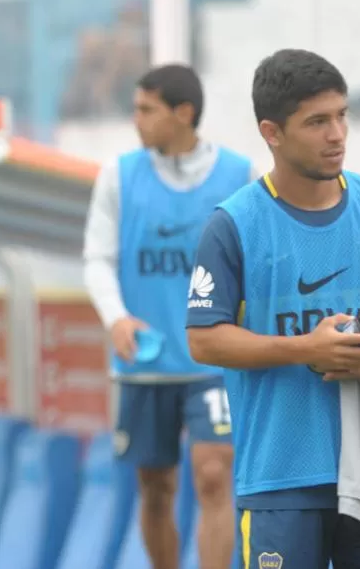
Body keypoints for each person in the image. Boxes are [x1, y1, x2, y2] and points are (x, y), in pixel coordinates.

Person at [187, 48, 360, 569]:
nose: (337, 134)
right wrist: (306, 348)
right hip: (281, 475)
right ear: (272, 132)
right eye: (317, 122)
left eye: (341, 116)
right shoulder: (234, 223)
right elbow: (204, 338)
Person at [83, 64, 253, 569]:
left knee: (214, 475)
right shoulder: (118, 175)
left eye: (145, 109)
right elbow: (97, 259)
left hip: (213, 360)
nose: (135, 119)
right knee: (156, 488)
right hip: (146, 361)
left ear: (183, 113)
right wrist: (115, 318)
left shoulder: (239, 174)